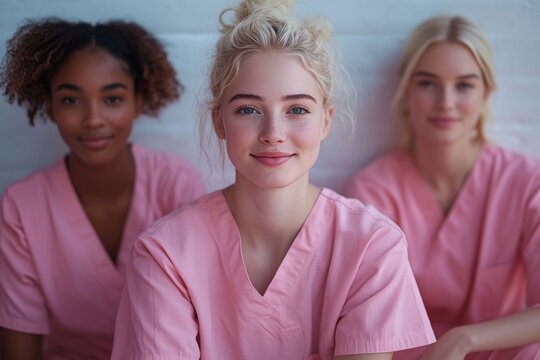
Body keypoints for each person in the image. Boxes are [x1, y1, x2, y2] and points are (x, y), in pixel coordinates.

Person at [111, 0, 436, 359]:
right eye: (248, 109)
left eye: (297, 109)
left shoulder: (373, 247)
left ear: (325, 120)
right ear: (219, 121)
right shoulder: (164, 255)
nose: (273, 133)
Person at [0, 18, 205, 359]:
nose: (93, 118)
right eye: (70, 100)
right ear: (49, 104)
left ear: (139, 101)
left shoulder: (176, 186)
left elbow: (203, 325)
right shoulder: (22, 207)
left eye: (112, 99)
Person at [346, 15, 540, 360]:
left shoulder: (526, 182)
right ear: (406, 91)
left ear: (486, 92)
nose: (446, 101)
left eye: (464, 85)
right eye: (427, 83)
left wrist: (463, 340)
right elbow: (368, 322)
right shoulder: (374, 191)